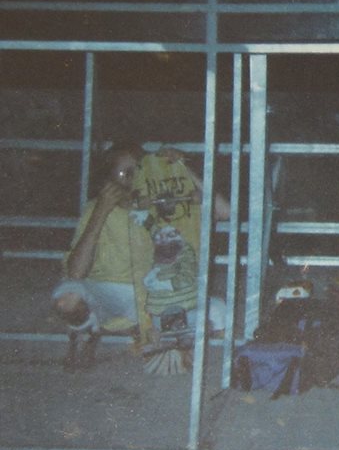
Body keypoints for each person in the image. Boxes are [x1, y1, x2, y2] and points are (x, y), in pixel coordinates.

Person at [53, 142, 231, 371]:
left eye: (140, 171)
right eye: (125, 173)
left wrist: (181, 169)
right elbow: (76, 272)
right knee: (67, 298)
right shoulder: (95, 207)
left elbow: (225, 211)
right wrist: (102, 210)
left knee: (218, 311)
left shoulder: (165, 202)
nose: (134, 179)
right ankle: (86, 330)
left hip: (151, 297)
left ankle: (146, 329)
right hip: (108, 292)